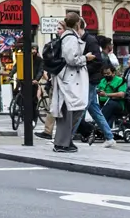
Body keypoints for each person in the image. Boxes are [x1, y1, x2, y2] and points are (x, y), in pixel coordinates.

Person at [51, 11, 91, 153]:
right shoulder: (70, 38)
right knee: (68, 111)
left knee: (71, 111)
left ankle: (66, 141)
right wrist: (86, 58)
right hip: (69, 80)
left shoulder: (68, 37)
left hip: (68, 79)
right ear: (77, 23)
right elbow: (71, 59)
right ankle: (62, 143)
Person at [76, 30, 115, 146]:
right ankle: (109, 137)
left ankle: (68, 136)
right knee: (95, 111)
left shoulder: (98, 54)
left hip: (90, 81)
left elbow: (97, 67)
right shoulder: (103, 55)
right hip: (94, 81)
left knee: (80, 110)